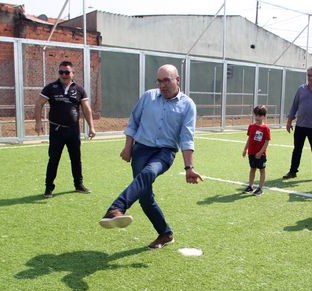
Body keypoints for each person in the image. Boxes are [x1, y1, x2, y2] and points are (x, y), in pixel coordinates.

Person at [98, 65, 203, 250]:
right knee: (145, 196)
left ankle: (116, 208)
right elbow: (134, 122)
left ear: (178, 80)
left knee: (149, 173)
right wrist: (128, 147)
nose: (162, 85)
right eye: (159, 81)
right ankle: (165, 233)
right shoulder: (148, 96)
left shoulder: (188, 105)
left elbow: (187, 137)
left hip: (165, 152)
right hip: (141, 149)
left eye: (166, 80)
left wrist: (189, 167)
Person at [35, 60, 96, 198]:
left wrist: (91, 127)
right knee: (53, 159)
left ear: (73, 73)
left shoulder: (79, 89)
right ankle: (48, 188)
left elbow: (86, 109)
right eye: (61, 72)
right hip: (57, 130)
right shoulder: (51, 88)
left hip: (73, 130)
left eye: (67, 72)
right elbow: (39, 104)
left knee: (76, 158)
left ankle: (79, 185)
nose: (63, 74)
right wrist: (38, 123)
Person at [283, 65, 312, 182]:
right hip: (300, 126)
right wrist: (289, 121)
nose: (311, 78)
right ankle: (293, 171)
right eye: (309, 75)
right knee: (297, 149)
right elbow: (294, 106)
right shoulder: (301, 89)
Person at [242, 105, 271, 196]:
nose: (257, 117)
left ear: (264, 116)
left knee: (262, 170)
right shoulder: (251, 126)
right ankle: (250, 186)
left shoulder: (266, 128)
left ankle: (260, 189)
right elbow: (249, 139)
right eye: (256, 115)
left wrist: (261, 152)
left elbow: (266, 142)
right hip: (251, 153)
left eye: (259, 115)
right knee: (252, 169)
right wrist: (245, 149)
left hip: (260, 154)